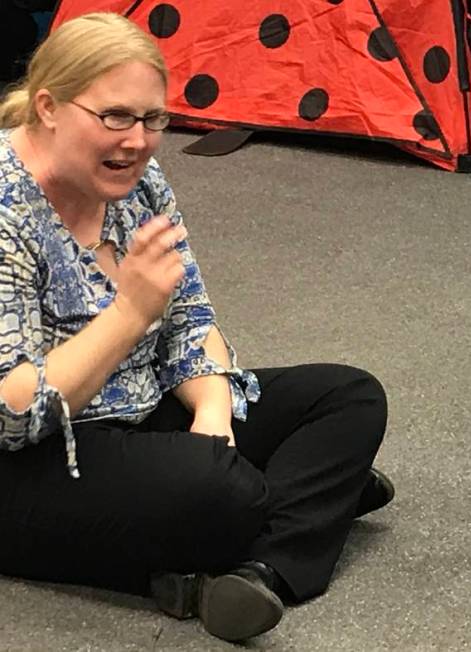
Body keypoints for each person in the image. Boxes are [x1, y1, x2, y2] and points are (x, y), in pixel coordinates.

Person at [0, 12, 394, 643]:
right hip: (40, 456)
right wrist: (127, 315)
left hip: (145, 414)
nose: (140, 139)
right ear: (48, 106)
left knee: (349, 396)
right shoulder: (5, 207)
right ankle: (310, 506)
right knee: (218, 489)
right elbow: (15, 417)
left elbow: (190, 316)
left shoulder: (134, 179)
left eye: (154, 119)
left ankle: (258, 567)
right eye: (117, 117)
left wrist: (213, 414)